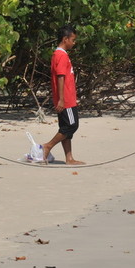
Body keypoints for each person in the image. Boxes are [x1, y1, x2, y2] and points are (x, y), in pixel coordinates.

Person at [42, 24, 84, 165]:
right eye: (72, 39)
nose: (74, 42)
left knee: (66, 128)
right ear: (65, 39)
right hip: (66, 99)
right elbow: (60, 77)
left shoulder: (60, 55)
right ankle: (48, 146)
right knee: (72, 125)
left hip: (66, 98)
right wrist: (61, 99)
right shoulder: (60, 55)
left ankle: (69, 158)